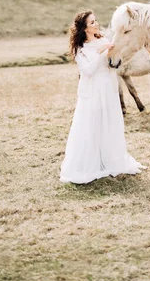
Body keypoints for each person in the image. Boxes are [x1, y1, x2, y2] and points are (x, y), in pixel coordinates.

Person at [60, 10, 145, 184]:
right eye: (92, 22)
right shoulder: (80, 49)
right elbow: (88, 71)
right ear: (84, 28)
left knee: (110, 123)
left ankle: (112, 159)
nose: (96, 24)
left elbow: (111, 66)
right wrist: (101, 53)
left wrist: (113, 56)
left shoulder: (104, 40)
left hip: (108, 89)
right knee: (91, 124)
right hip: (92, 91)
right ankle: (91, 163)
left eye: (95, 21)